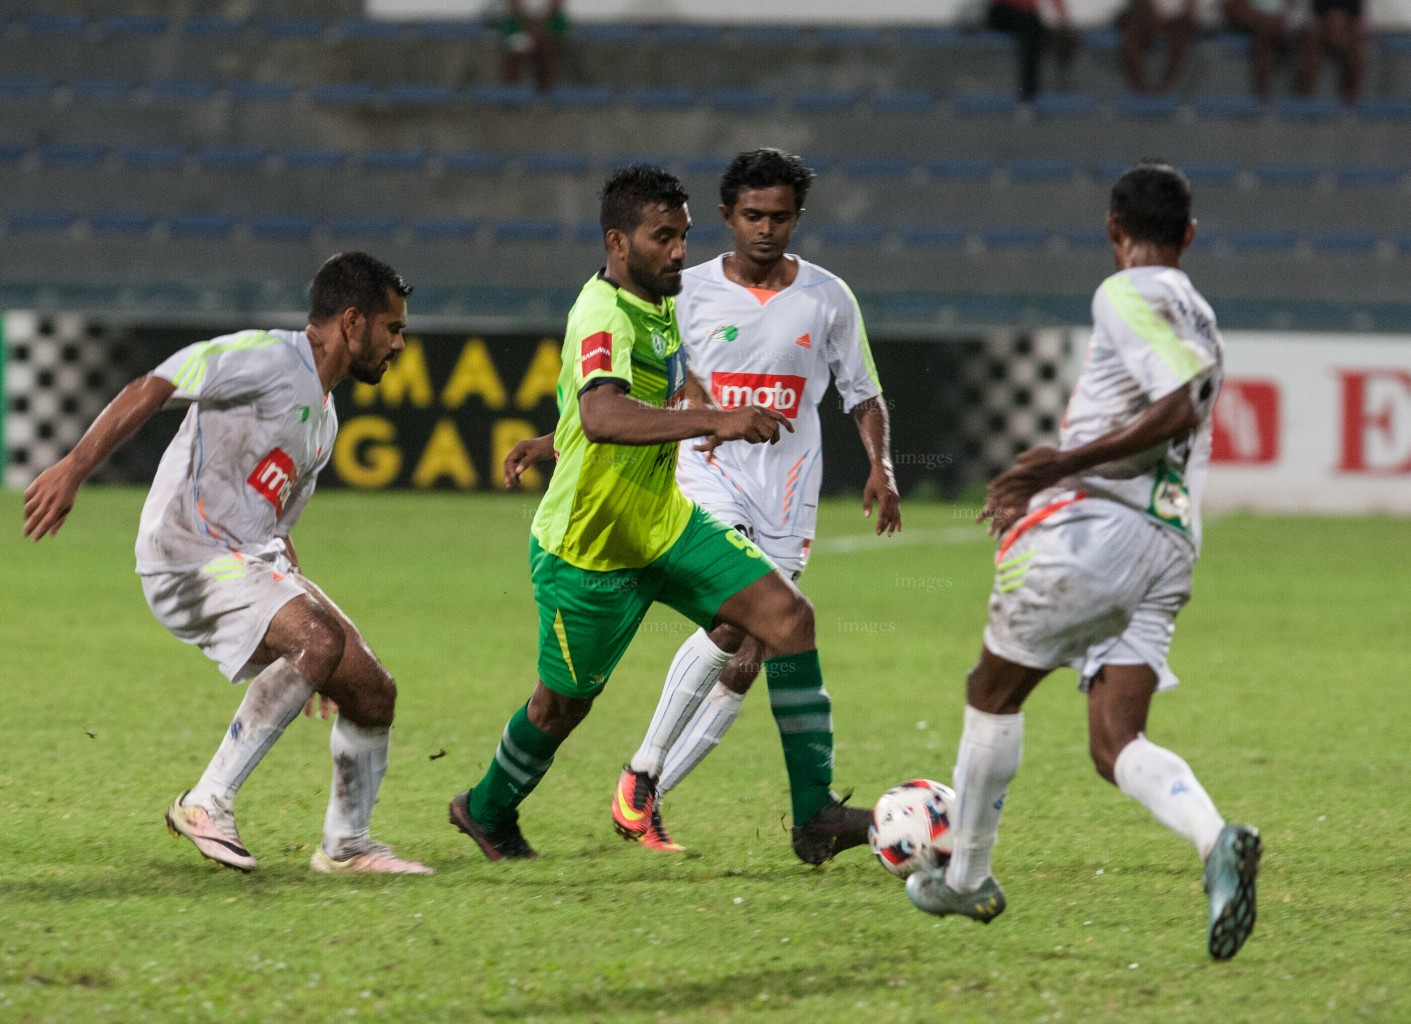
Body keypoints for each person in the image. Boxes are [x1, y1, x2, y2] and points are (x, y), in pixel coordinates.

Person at [448, 164, 875, 866]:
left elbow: (642, 395)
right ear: (618, 242)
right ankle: (485, 807)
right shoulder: (603, 313)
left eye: (682, 235)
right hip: (589, 551)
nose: (678, 251)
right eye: (662, 237)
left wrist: (556, 436)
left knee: (787, 618)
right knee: (561, 707)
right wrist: (718, 418)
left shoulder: (660, 301)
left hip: (664, 523)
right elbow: (604, 413)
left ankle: (815, 818)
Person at [906, 160, 1262, 962]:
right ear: (1190, 234)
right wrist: (1060, 461)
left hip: (1098, 531)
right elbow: (1181, 402)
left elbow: (1177, 403)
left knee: (991, 690)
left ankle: (964, 879)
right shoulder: (1199, 310)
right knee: (1114, 740)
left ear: (1113, 231)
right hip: (1169, 546)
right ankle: (1215, 843)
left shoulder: (1125, 291)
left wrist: (1059, 468)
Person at [22, 251, 432, 875]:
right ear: (352, 322)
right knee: (318, 643)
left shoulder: (323, 418)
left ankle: (347, 845)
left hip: (243, 559)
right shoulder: (266, 357)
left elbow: (276, 532)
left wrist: (309, 635)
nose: (400, 344)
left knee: (373, 690)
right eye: (393, 328)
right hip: (185, 555)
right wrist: (74, 468)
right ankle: (206, 802)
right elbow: (155, 384)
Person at [606, 148, 901, 854]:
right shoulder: (686, 291)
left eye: (780, 217)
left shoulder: (828, 296)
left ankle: (643, 803)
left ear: (797, 218)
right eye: (752, 215)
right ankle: (641, 769)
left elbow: (863, 392)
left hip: (789, 497)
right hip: (707, 480)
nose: (766, 229)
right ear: (725, 217)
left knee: (747, 659)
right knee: (733, 624)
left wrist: (881, 467)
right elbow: (643, 375)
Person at [983, 0, 1079, 103]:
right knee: (1032, 29)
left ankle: (1031, 94)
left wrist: (1065, 23)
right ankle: (1028, 95)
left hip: (1026, 17)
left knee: (1035, 29)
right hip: (1003, 11)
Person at [1221, 0, 1306, 101]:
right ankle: (1261, 99)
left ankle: (1305, 101)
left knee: (1310, 35)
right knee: (1263, 32)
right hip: (1256, 20)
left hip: (1280, 19)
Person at [1118, 0, 1197, 95]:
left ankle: (1165, 86)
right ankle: (1139, 87)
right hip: (1149, 18)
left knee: (1182, 35)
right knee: (1130, 37)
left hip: (1179, 21)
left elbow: (1190, 9)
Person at [1296, 0, 1364, 105]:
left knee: (1356, 50)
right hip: (1324, 30)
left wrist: (1339, 25)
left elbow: (1356, 17)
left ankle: (1352, 101)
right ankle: (1306, 99)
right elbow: (1315, 16)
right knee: (1309, 44)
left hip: (1345, 30)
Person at [499, 0, 565, 92]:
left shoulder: (556, 20)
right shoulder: (512, 20)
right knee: (516, 54)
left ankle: (546, 88)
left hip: (547, 45)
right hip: (520, 44)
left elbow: (559, 35)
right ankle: (511, 90)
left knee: (545, 52)